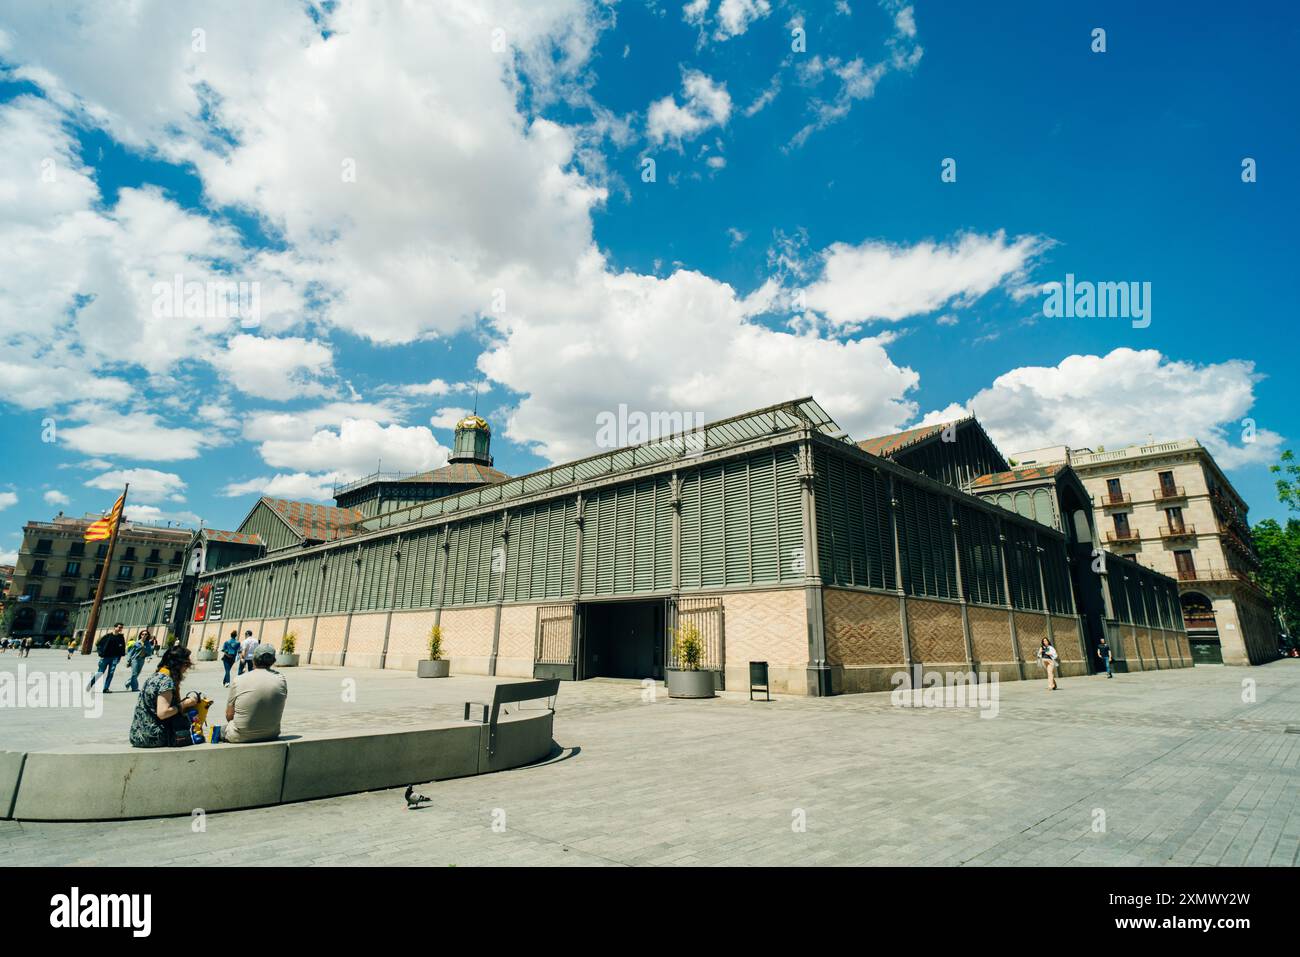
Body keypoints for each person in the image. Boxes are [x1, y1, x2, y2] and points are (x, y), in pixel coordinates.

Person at [129, 645, 203, 748]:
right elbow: (162, 713)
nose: (186, 669)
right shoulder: (166, 681)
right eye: (186, 665)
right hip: (153, 736)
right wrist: (185, 704)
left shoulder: (155, 676)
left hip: (137, 734)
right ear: (178, 665)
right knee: (197, 736)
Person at [222, 643, 288, 744]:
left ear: (254, 660)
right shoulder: (281, 679)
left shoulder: (239, 680)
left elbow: (229, 716)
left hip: (239, 736)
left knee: (220, 730)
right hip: (271, 734)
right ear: (273, 661)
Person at [86, 623, 127, 693]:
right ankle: (90, 685)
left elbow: (122, 647)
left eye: (121, 628)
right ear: (115, 627)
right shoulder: (108, 636)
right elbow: (98, 644)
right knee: (100, 673)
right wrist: (100, 653)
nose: (120, 629)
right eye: (119, 627)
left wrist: (119, 657)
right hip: (105, 658)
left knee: (111, 673)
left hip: (114, 658)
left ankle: (106, 688)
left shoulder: (121, 637)